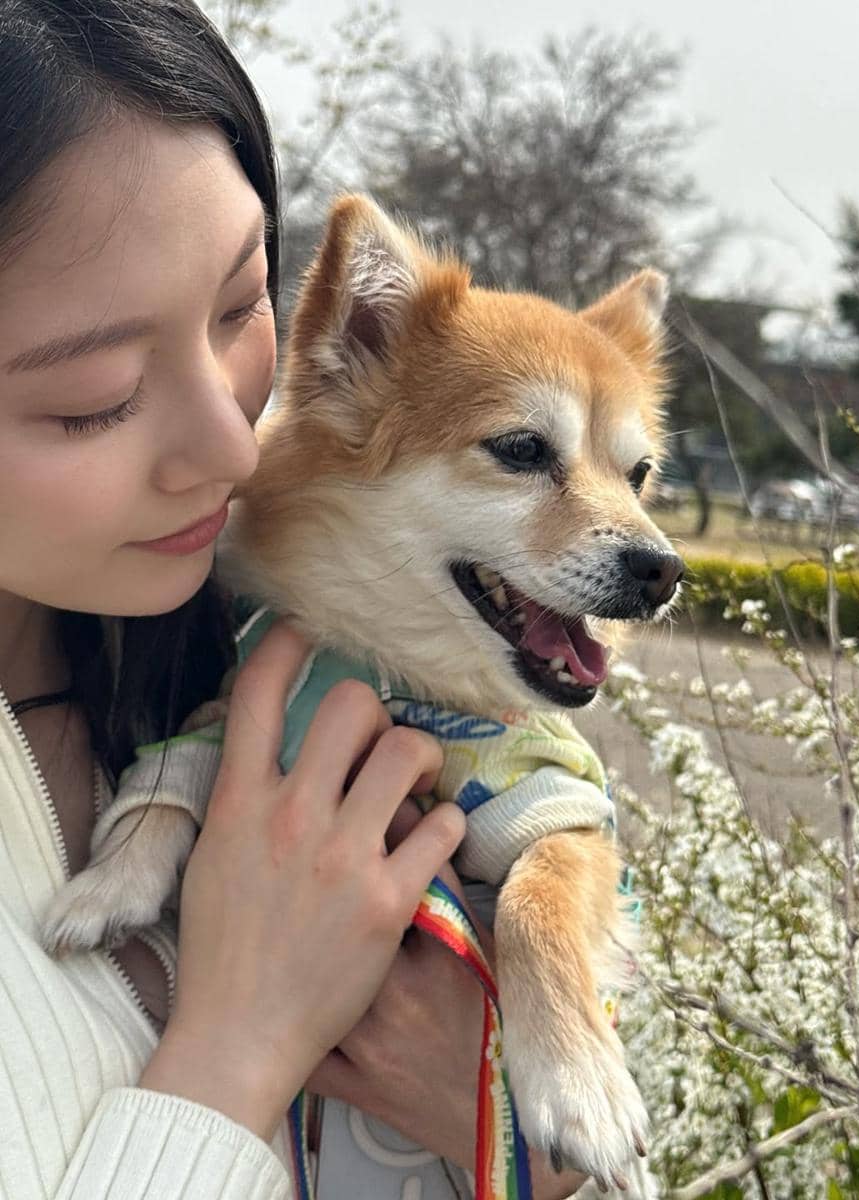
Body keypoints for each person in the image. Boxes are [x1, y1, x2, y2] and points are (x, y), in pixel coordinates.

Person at [0, 2, 589, 1196]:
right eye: (95, 398)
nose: (233, 446)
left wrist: (513, 1131)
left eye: (238, 307)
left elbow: (593, 1116)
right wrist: (241, 1046)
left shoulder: (275, 614)